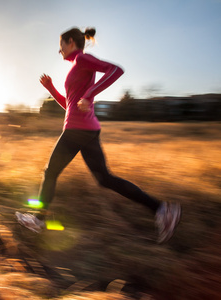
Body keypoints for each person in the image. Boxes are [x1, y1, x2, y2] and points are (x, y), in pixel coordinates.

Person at [16, 27, 181, 244]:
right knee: (105, 179)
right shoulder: (77, 65)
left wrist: (89, 94)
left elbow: (116, 70)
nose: (59, 51)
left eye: (61, 45)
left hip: (77, 130)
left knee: (50, 172)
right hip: (86, 129)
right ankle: (162, 209)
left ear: (71, 42)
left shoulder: (83, 59)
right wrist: (51, 88)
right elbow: (69, 104)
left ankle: (38, 220)